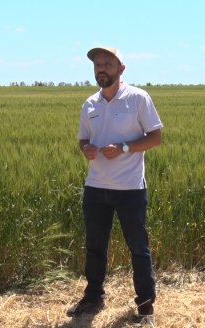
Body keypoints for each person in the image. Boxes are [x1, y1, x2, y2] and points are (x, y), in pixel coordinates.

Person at [67, 47, 163, 325]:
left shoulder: (138, 98)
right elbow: (83, 140)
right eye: (98, 64)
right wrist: (85, 149)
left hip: (130, 188)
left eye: (108, 63)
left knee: (138, 248)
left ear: (121, 69)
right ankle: (93, 297)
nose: (101, 68)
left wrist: (123, 147)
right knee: (95, 247)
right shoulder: (90, 105)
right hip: (95, 187)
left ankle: (145, 306)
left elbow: (155, 137)